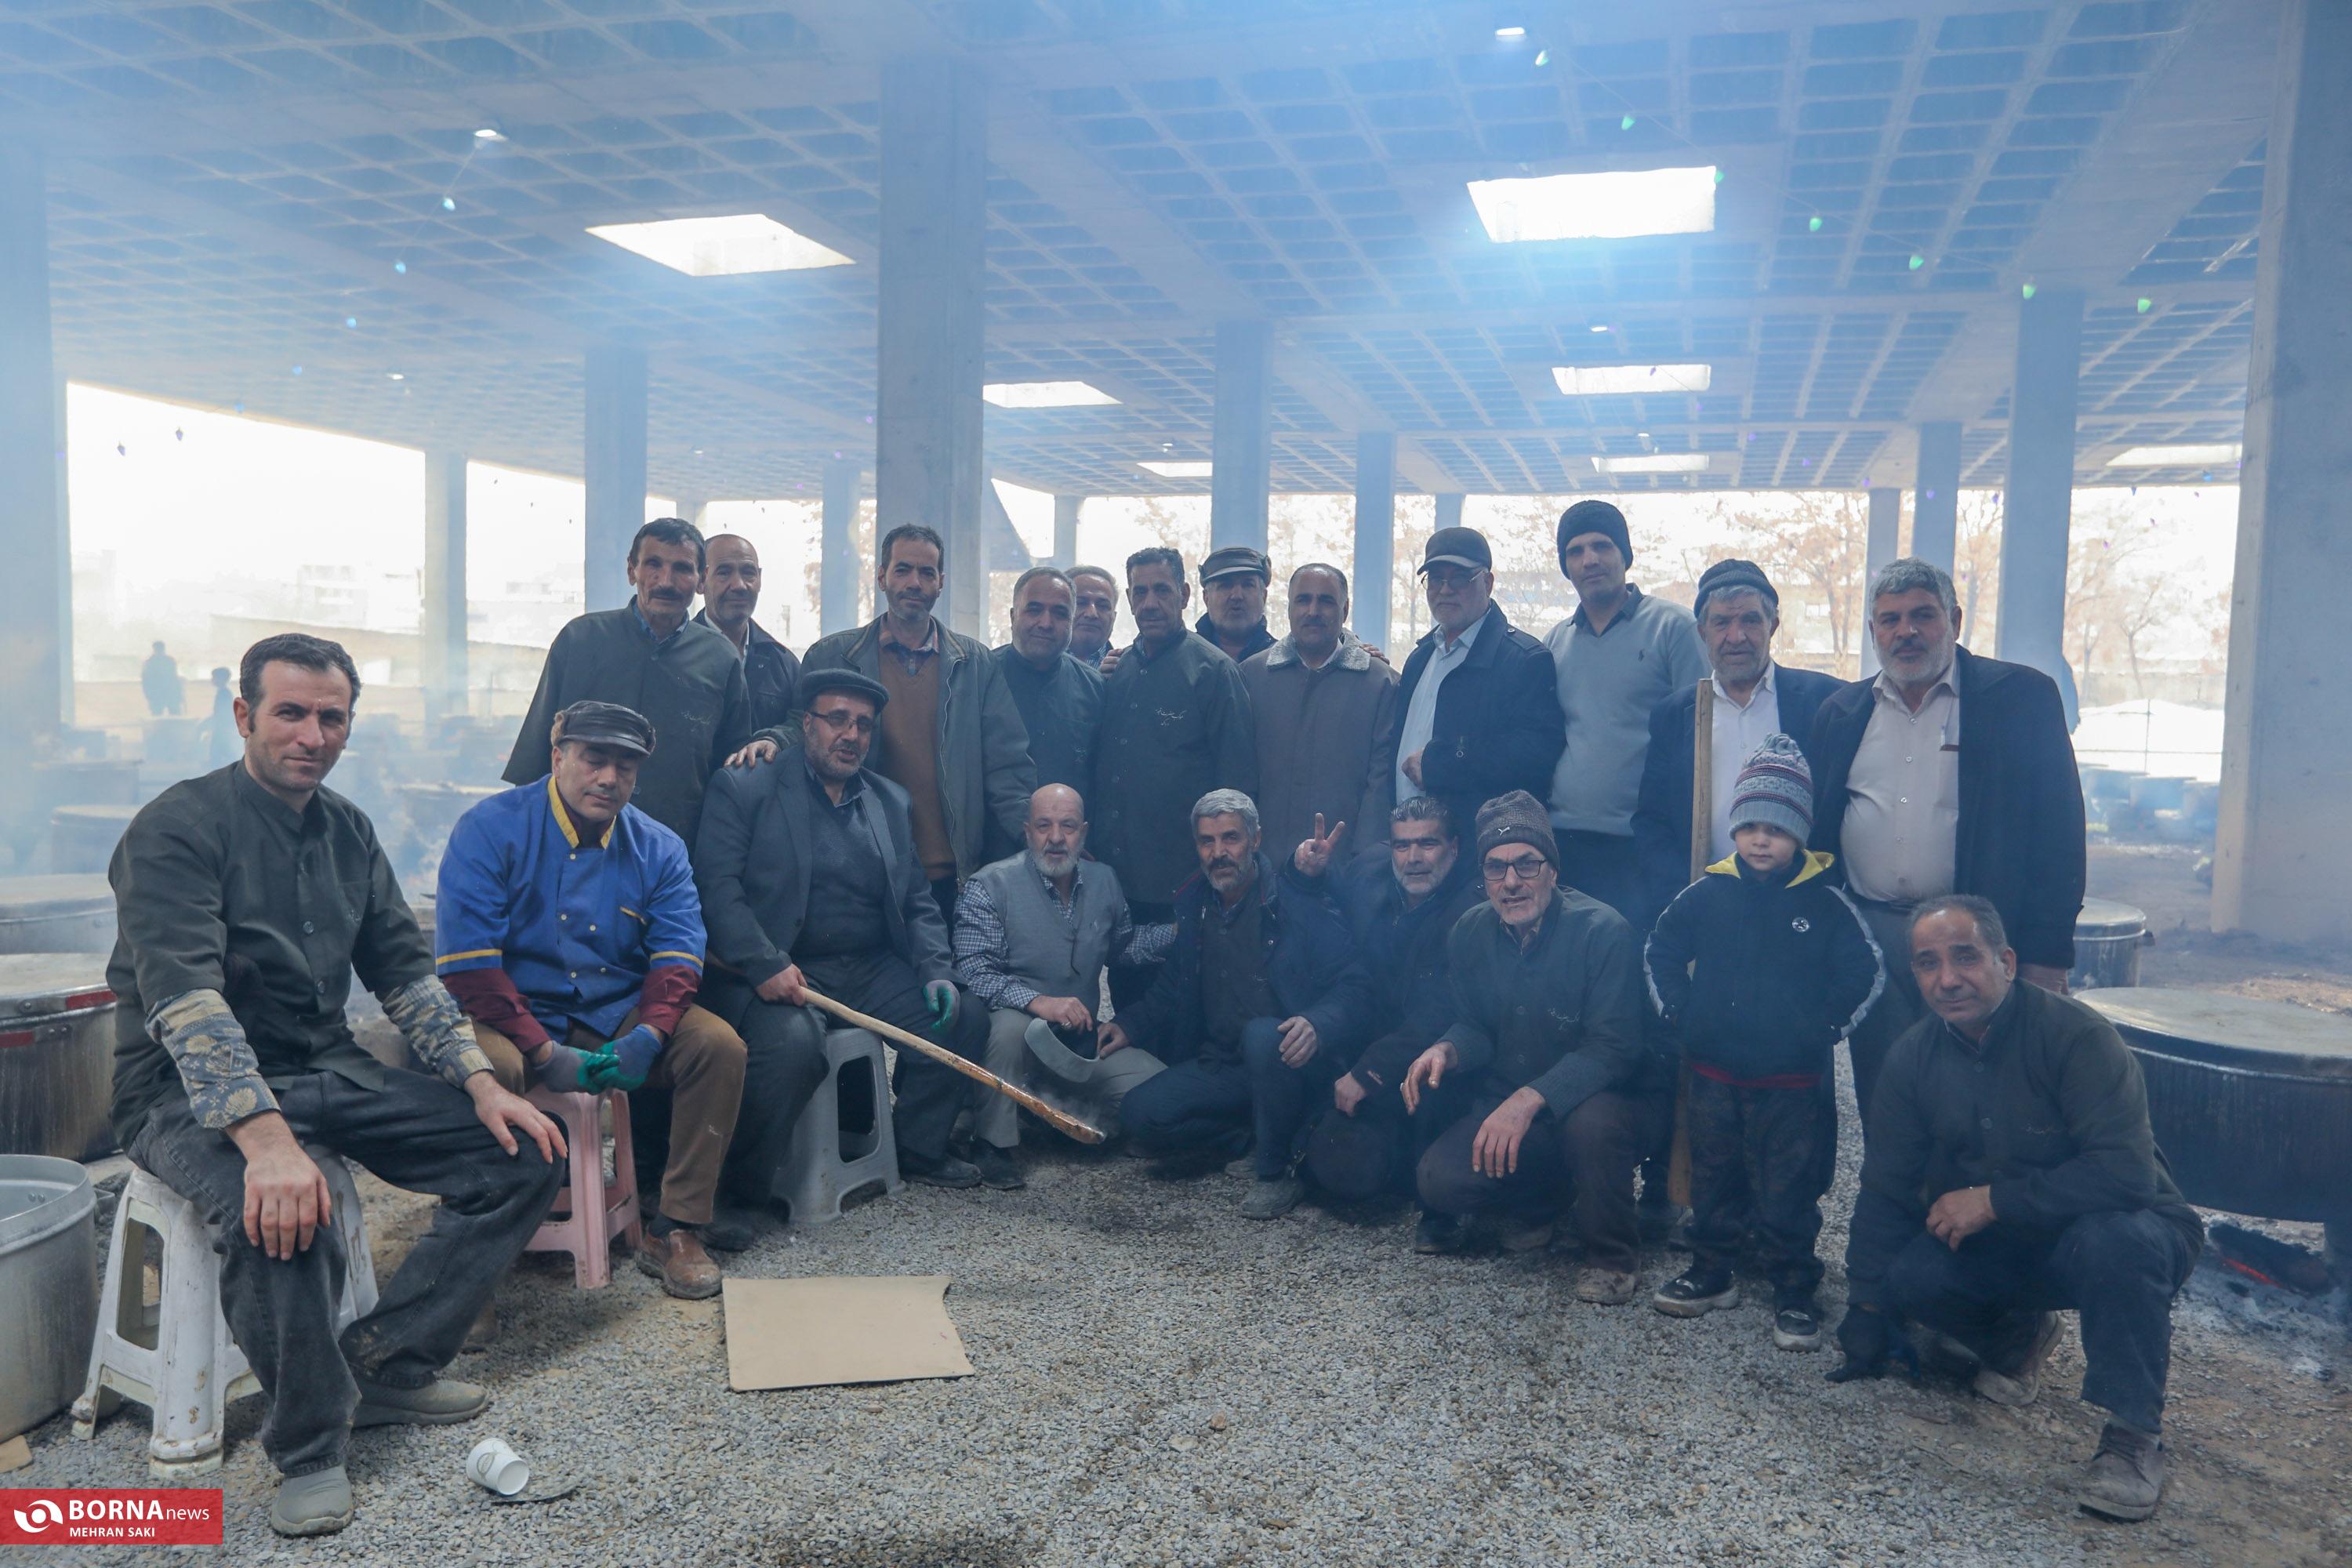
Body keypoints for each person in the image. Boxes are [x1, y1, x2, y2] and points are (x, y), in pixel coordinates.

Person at [105, 633, 564, 1539]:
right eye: (290, 712)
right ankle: (310, 1445)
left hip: (325, 1064)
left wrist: (480, 1082)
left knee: (521, 1154)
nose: (312, 735)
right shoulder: (176, 828)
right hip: (181, 1089)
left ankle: (387, 1363)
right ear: (244, 715)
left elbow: (404, 972)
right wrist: (268, 1143)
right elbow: (186, 1000)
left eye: (332, 717)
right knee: (281, 1206)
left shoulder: (348, 828)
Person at [1828, 895, 2203, 1524]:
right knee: (1912, 1277)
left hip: (2121, 1226)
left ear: (2005, 961)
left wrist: (1994, 1200)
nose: (1948, 979)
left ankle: (2134, 1436)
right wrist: (1866, 1307)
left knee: (2119, 1243)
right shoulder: (1912, 1058)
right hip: (2014, 1236)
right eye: (1928, 964)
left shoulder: (2077, 1037)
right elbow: (1887, 1188)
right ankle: (2018, 1337)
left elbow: (2126, 1176)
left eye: (1965, 957)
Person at [436, 700, 748, 1299]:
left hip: (612, 1011)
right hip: (510, 1013)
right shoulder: (489, 828)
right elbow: (469, 966)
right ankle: (474, 1251)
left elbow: (679, 955)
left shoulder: (659, 846)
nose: (608, 778)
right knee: (488, 1069)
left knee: (717, 1046)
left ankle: (677, 1227)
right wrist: (542, 1051)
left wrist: (649, 1035)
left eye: (624, 767)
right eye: (593, 759)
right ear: (557, 757)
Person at [693, 668, 993, 1192]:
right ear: (807, 723)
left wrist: (937, 970)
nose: (851, 735)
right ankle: (742, 1193)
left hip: (869, 968)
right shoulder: (746, 787)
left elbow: (918, 901)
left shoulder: (889, 800)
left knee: (963, 1017)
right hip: (784, 965)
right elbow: (717, 891)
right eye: (837, 719)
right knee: (792, 1046)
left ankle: (916, 1148)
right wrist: (764, 963)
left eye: (863, 725)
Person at [1809, 557, 2086, 1120]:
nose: (1905, 632)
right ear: (1873, 631)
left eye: (1923, 615)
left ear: (1955, 621)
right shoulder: (1841, 713)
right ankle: (1893, 1179)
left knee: (1986, 1098)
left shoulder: (2020, 700)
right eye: (1890, 620)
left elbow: (2059, 835)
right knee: (1888, 1093)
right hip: (1873, 939)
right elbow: (1821, 834)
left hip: (1977, 938)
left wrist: (2047, 956)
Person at [1642, 736, 1882, 1349]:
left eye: (1775, 829)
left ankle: (1794, 1288)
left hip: (1792, 1084)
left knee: (1789, 1189)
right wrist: (1681, 1013)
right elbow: (1660, 949)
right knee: (1713, 1179)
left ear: (1798, 833)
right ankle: (1711, 1270)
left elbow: (1866, 972)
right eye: (1749, 826)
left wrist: (1823, 1028)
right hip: (1714, 1076)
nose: (1760, 841)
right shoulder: (1707, 894)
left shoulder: (1826, 904)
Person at [1401, 792, 1654, 1302]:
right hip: (1519, 1104)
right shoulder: (1470, 931)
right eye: (1496, 868)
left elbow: (1614, 1048)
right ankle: (1545, 1200)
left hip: (1608, 1102)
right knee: (1439, 1179)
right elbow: (1475, 1024)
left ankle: (1612, 1256)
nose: (1511, 882)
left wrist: (1530, 1098)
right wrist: (1447, 1049)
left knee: (1591, 1125)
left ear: (1553, 870)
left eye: (1526, 864)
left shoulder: (1604, 931)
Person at [1113, 789, 1356, 1220]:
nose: (1219, 853)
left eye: (1231, 838)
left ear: (1256, 839)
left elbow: (1354, 982)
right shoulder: (1194, 903)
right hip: (1224, 1064)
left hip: (1290, 1065)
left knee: (1262, 1035)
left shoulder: (1293, 901)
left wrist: (1318, 1023)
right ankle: (1251, 1138)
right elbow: (1172, 984)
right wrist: (1127, 1026)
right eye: (1207, 841)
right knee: (1140, 1116)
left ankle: (1277, 1171)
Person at [784, 524, 1034, 928]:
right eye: (902, 570)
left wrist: (1036, 833)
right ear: (881, 577)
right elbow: (798, 731)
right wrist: (767, 740)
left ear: (941, 583)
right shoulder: (833, 656)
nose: (914, 583)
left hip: (952, 874)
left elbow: (1007, 765)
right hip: (858, 871)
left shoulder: (976, 665)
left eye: (926, 572)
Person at [952, 784, 1175, 1185]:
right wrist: (1039, 1001)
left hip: (1076, 1041)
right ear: (1027, 832)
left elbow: (1123, 948)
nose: (1056, 838)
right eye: (1044, 826)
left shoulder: (1105, 881)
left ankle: (1049, 1113)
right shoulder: (990, 886)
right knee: (1006, 1029)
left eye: (1068, 826)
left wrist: (1180, 932)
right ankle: (993, 1143)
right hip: (1017, 1037)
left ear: (1083, 833)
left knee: (1156, 1090)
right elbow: (974, 972)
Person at [503, 517, 750, 846]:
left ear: (701, 580)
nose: (666, 581)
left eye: (682, 568)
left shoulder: (721, 658)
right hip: (573, 842)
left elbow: (731, 771)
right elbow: (535, 757)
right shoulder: (580, 640)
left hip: (675, 847)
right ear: (632, 570)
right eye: (653, 565)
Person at [1632, 558, 1846, 922]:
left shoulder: (1824, 702)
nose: (1736, 637)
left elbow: (1840, 813)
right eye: (1721, 623)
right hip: (1706, 910)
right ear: (1703, 631)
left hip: (1802, 910)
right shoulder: (1675, 715)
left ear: (1773, 625)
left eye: (1750, 620)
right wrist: (1684, 899)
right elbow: (1652, 821)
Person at [1295, 797, 1483, 1204]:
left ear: (1453, 848)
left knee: (1361, 1165)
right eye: (1402, 845)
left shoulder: (1470, 911)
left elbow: (1442, 1012)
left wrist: (1370, 1071)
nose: (1413, 858)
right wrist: (1308, 876)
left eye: (1428, 844)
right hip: (1366, 1037)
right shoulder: (1373, 873)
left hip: (1435, 1064)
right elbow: (1333, 923)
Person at [1091, 547, 1258, 994]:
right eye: (1140, 592)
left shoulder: (1214, 672)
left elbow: (1238, 787)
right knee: (1127, 1001)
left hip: (1184, 883)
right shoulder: (1119, 670)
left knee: (1180, 1007)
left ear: (1184, 595)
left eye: (1162, 591)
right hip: (1118, 881)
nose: (1150, 603)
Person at [1542, 499, 1709, 924]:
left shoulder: (1674, 628)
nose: (1590, 560)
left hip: (1643, 844)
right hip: (1567, 841)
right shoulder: (1555, 643)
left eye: (1602, 545)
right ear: (1565, 567)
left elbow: (1699, 737)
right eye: (1575, 551)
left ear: (1625, 555)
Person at [1378, 525, 1564, 848]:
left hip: (1477, 851)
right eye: (1436, 579)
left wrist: (1439, 765)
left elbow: (1533, 758)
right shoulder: (1420, 658)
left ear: (1488, 583)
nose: (1445, 590)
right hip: (1408, 847)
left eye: (1460, 578)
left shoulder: (1524, 660)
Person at [1239, 562, 1398, 862]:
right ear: (1288, 609)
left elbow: (1380, 784)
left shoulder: (1381, 683)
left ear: (1345, 610)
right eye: (1303, 600)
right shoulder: (1252, 676)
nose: (1313, 611)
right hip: (1264, 860)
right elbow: (1239, 772)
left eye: (1326, 601)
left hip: (1344, 864)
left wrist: (1365, 860)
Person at [994, 565, 1104, 804]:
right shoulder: (982, 677)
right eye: (1034, 610)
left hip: (1070, 827)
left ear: (1071, 622)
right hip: (992, 827)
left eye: (1059, 613)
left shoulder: (1095, 688)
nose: (1046, 623)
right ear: (1013, 616)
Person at [694, 532, 803, 733]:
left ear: (760, 579)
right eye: (724, 573)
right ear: (700, 581)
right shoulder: (677, 656)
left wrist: (774, 740)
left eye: (748, 573)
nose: (739, 585)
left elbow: (801, 726)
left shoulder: (783, 663)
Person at [1194, 544, 1276, 663]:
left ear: (1264, 596)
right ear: (1206, 598)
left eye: (1248, 585)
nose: (1237, 596)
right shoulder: (1184, 659)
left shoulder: (1282, 661)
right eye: (1225, 586)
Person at [1069, 565, 1121, 669]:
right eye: (1080, 603)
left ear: (1114, 618)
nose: (1091, 614)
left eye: (1103, 606)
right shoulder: (1036, 664)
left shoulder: (1129, 671)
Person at [205, 665, 238, 766]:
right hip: (222, 725)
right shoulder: (223, 692)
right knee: (222, 748)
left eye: (214, 677)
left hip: (222, 726)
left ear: (221, 679)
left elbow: (223, 712)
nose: (212, 680)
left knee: (218, 747)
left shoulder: (224, 693)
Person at [142, 639, 183, 717]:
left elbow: (174, 678)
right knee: (158, 716)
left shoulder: (169, 661)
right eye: (158, 649)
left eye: (160, 649)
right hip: (158, 694)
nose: (159, 651)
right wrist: (149, 695)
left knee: (174, 716)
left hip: (168, 693)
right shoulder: (151, 663)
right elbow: (146, 681)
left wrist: (179, 693)